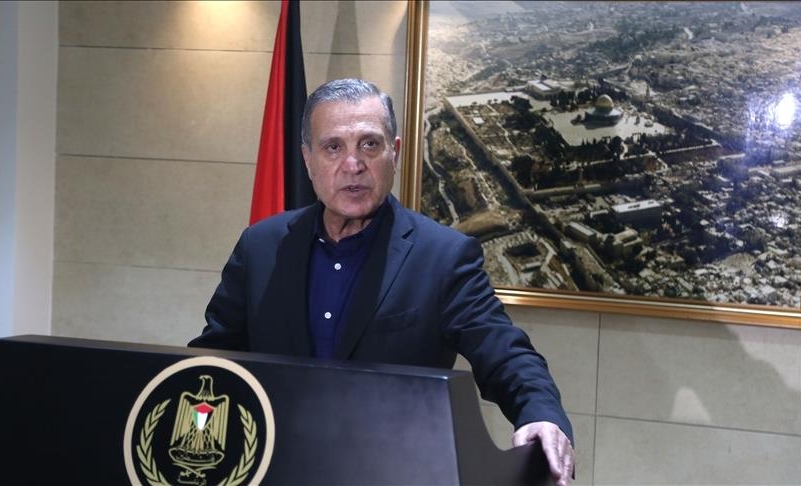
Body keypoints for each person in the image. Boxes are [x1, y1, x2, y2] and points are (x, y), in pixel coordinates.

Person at [190, 78, 575, 485]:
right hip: (273, 469)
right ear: (307, 159)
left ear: (395, 152)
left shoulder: (444, 257)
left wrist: (542, 415)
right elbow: (214, 360)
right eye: (333, 147)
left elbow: (506, 353)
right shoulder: (260, 247)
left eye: (369, 145)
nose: (352, 165)